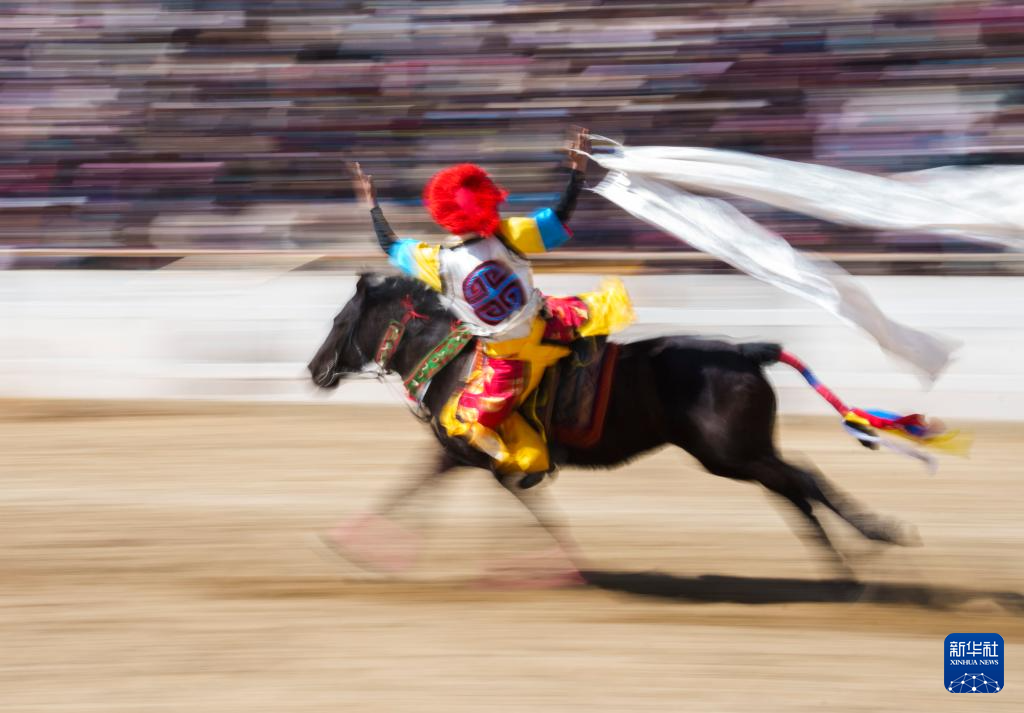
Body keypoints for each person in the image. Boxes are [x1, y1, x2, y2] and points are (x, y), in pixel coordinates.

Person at [350, 127, 632, 483]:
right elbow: (559, 217)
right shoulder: (508, 234)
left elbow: (389, 245)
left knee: (466, 420)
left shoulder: (436, 261)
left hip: (509, 359)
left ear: (440, 210)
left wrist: (372, 205)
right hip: (550, 323)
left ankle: (524, 461)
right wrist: (577, 174)